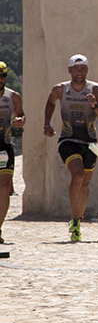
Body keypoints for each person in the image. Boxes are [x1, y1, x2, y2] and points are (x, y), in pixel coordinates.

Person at [44, 55, 98, 242]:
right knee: (78, 176)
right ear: (69, 70)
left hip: (89, 142)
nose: (79, 72)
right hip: (68, 139)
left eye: (82, 68)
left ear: (87, 70)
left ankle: (77, 222)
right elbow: (50, 102)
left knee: (86, 183)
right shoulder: (61, 89)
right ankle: (74, 219)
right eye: (76, 68)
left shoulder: (96, 89)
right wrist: (46, 124)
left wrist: (94, 105)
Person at [0, 61, 25, 244]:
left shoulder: (13, 96)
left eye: (2, 76)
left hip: (4, 147)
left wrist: (20, 121)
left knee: (4, 188)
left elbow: (20, 115)